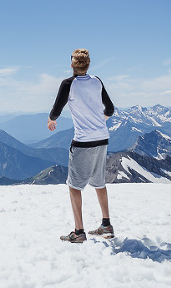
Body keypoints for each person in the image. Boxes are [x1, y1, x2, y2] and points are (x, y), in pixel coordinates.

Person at [47, 49, 115, 243]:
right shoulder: (97, 81)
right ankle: (106, 225)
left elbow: (57, 108)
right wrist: (99, 122)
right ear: (88, 64)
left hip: (83, 141)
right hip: (102, 138)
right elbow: (110, 109)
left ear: (72, 65)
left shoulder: (68, 84)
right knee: (99, 182)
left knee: (74, 186)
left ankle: (78, 232)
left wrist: (51, 120)